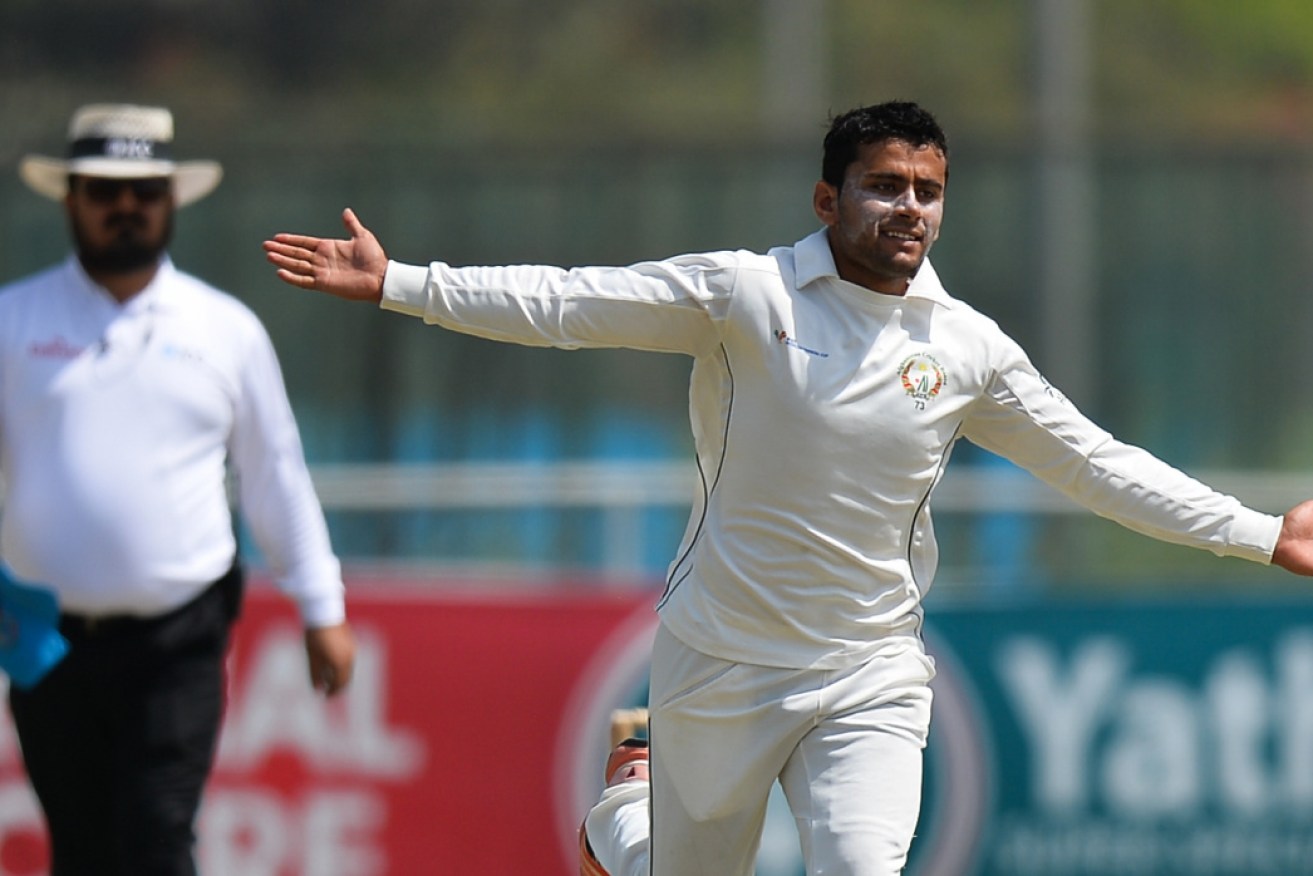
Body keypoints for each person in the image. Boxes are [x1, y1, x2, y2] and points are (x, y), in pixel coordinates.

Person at [263, 100, 1313, 876]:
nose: (907, 207)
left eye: (927, 190)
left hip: (869, 669)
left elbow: (1092, 461)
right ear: (828, 197)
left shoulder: (966, 349)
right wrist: (401, 283)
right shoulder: (743, 295)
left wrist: (1257, 531)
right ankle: (621, 817)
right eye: (883, 184)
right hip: (720, 657)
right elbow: (571, 303)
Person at [2, 103, 357, 876]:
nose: (125, 207)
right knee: (84, 847)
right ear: (72, 199)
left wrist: (321, 606)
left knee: (159, 833)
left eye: (144, 192)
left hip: (177, 638)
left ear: (169, 200)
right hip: (43, 639)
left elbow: (275, 472)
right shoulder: (12, 321)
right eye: (104, 191)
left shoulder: (222, 328)